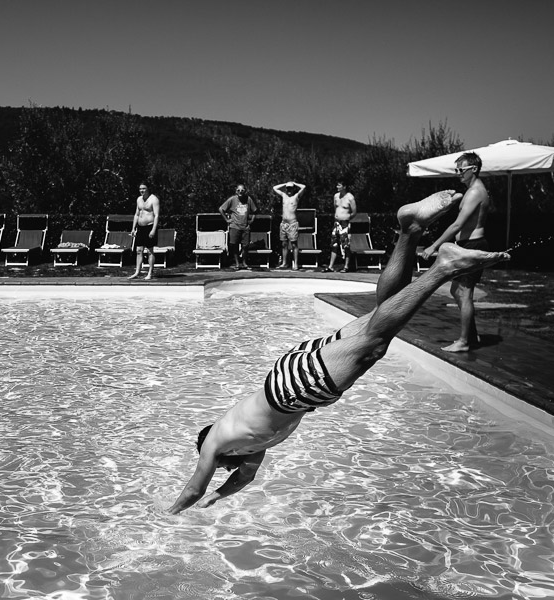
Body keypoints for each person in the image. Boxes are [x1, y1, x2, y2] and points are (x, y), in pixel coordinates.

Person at [167, 190, 509, 515]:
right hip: (293, 375)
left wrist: (168, 514)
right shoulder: (250, 446)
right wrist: (218, 496)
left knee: (375, 343)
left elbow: (192, 489)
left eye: (218, 467)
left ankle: (443, 266)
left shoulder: (215, 441)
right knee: (383, 314)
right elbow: (246, 478)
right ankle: (410, 229)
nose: (222, 469)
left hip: (293, 388)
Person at [418, 152, 493, 353]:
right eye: (456, 169)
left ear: (474, 169)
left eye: (461, 170)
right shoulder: (471, 191)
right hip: (467, 244)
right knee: (455, 291)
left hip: (473, 245)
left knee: (465, 292)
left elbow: (458, 224)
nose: (458, 173)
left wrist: (434, 246)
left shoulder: (475, 192)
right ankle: (470, 335)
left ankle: (464, 341)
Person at [219, 184, 258, 269]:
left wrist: (252, 220)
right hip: (235, 226)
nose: (240, 192)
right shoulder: (232, 199)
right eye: (238, 190)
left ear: (245, 191)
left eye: (242, 190)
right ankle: (237, 263)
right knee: (234, 245)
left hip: (245, 227)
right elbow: (221, 209)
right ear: (236, 191)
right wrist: (226, 220)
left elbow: (255, 210)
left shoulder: (248, 199)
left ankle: (244, 262)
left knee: (245, 245)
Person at [128, 182, 160, 280]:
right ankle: (137, 272)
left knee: (150, 251)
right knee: (138, 250)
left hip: (149, 227)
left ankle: (150, 273)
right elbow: (136, 215)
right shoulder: (139, 199)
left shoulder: (154, 199)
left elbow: (156, 215)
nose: (142, 190)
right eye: (140, 189)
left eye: (144, 188)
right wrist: (133, 228)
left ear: (148, 189)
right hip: (140, 228)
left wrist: (153, 230)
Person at [272, 181, 306, 269]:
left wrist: (294, 183)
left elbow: (304, 187)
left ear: (294, 188)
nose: (289, 190)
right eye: (288, 188)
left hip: (292, 223)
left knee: (294, 244)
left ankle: (295, 263)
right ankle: (284, 263)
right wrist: (285, 184)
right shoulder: (284, 196)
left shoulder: (296, 196)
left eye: (291, 188)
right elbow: (274, 188)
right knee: (284, 244)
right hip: (284, 223)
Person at [324, 180, 357, 273]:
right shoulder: (336, 196)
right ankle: (331, 266)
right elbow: (335, 208)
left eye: (339, 185)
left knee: (346, 245)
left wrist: (346, 219)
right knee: (334, 244)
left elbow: (354, 212)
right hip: (337, 223)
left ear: (344, 186)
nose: (337, 187)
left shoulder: (350, 197)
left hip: (345, 224)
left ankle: (346, 266)